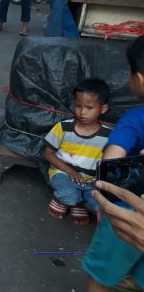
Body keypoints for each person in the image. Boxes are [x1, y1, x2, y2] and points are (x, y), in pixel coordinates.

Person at [83, 36, 144, 292]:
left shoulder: (135, 119)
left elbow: (111, 162)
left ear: (139, 79)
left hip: (125, 215)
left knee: (102, 275)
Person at [43, 78, 111, 226]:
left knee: (100, 206)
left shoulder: (108, 135)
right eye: (78, 106)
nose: (82, 112)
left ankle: (77, 203)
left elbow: (109, 164)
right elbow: (47, 154)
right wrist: (71, 172)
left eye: (89, 107)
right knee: (69, 195)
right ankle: (70, 202)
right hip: (62, 174)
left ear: (103, 109)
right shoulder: (63, 128)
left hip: (89, 181)